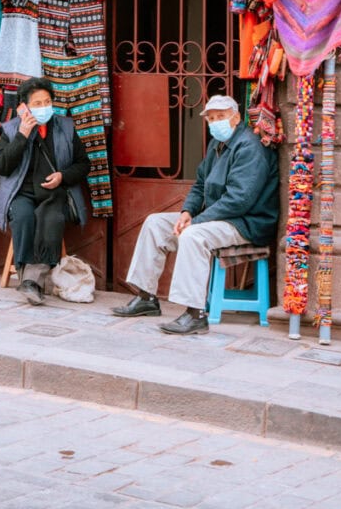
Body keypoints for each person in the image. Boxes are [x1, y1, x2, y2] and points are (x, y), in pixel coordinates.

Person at [112, 94, 279, 335]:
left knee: (193, 236)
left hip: (246, 223)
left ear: (236, 118)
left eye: (220, 117)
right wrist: (187, 212)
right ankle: (146, 297)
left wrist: (196, 222)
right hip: (217, 218)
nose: (215, 122)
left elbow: (239, 200)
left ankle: (195, 314)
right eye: (211, 118)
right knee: (155, 224)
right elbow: (200, 184)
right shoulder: (217, 145)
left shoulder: (249, 147)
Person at [0, 76, 90, 305]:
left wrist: (62, 177)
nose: (43, 107)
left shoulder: (65, 127)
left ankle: (30, 282)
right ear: (24, 107)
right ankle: (31, 281)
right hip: (22, 193)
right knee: (24, 217)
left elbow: (83, 164)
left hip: (53, 193)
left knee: (51, 218)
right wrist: (22, 136)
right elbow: (2, 167)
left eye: (47, 101)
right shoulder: (11, 129)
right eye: (37, 103)